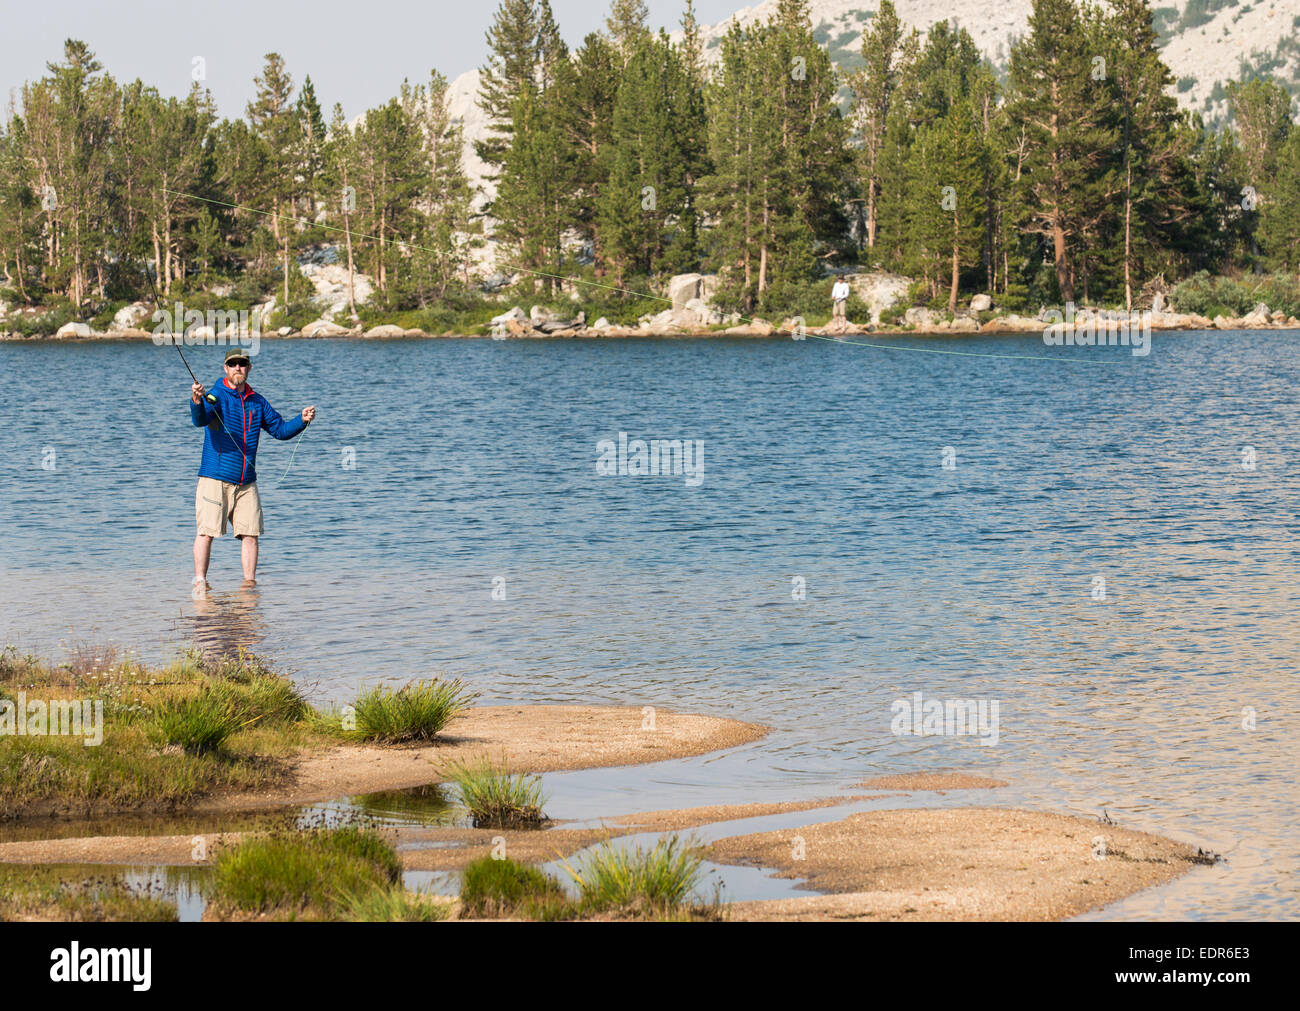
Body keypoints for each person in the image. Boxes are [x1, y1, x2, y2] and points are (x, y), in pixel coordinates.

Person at [190, 348, 316, 589]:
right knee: (206, 532)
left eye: (242, 364)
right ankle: (200, 582)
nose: (238, 367)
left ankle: (249, 586)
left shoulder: (257, 401)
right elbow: (200, 419)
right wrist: (197, 400)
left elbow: (280, 431)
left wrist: (302, 420)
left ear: (249, 368)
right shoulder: (216, 395)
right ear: (225, 369)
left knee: (251, 534)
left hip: (247, 482)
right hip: (215, 478)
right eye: (233, 364)